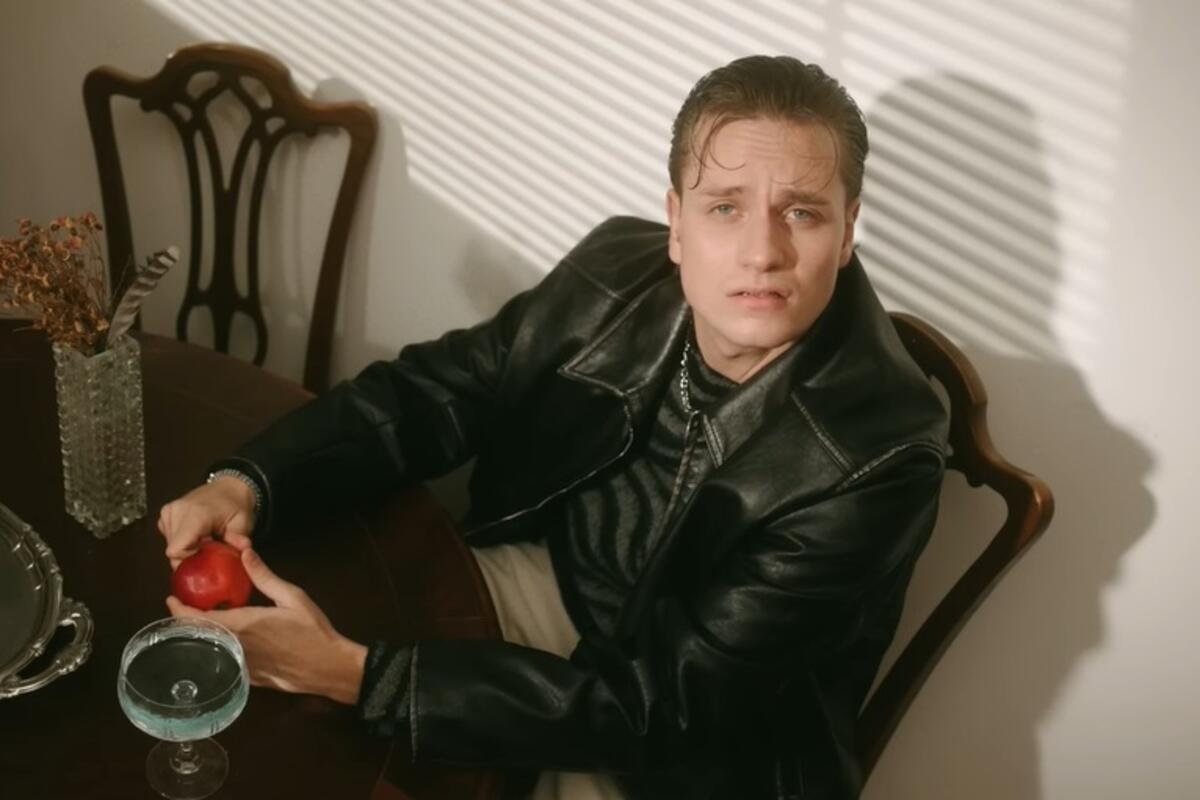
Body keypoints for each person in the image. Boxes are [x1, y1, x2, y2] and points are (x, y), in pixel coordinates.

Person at [158, 55, 948, 799]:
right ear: (677, 224)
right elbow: (441, 389)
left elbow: (666, 707)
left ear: (847, 231)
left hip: (688, 748)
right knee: (262, 676)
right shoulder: (617, 271)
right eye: (725, 207)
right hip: (546, 585)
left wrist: (366, 679)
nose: (761, 252)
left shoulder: (878, 454)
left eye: (802, 213)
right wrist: (250, 481)